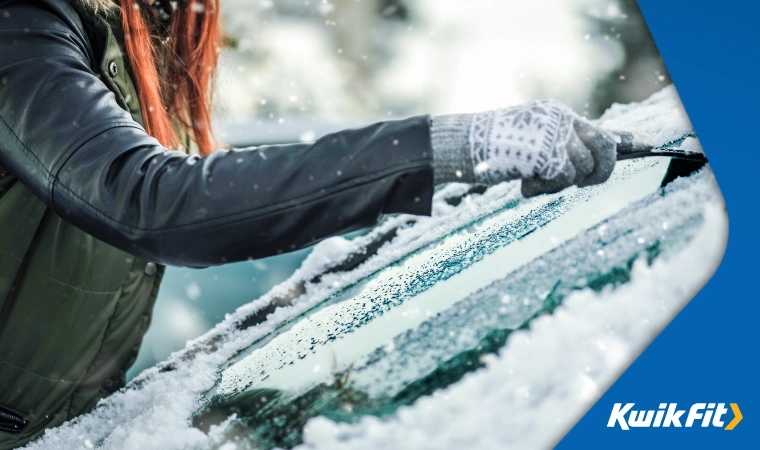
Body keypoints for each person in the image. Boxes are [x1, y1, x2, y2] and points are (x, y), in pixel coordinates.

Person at [0, 0, 617, 446]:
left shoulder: (145, 31)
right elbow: (150, 201)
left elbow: (231, 188)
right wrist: (444, 149)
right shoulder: (23, 31)